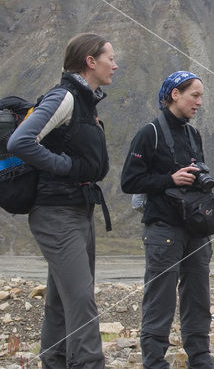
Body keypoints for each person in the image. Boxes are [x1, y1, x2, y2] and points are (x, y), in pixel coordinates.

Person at [7, 33, 117, 368]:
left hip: (80, 209)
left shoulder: (86, 102)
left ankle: (54, 361)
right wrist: (65, 166)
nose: (115, 64)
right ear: (90, 61)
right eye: (110, 57)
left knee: (62, 299)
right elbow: (20, 141)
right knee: (82, 300)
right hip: (56, 212)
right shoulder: (65, 97)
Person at [120, 71, 214, 368]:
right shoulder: (150, 133)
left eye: (201, 96)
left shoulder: (192, 133)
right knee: (160, 300)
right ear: (175, 94)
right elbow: (130, 181)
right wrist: (170, 179)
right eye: (194, 95)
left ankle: (200, 360)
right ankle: (155, 363)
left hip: (196, 228)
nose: (199, 102)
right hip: (163, 229)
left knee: (198, 296)